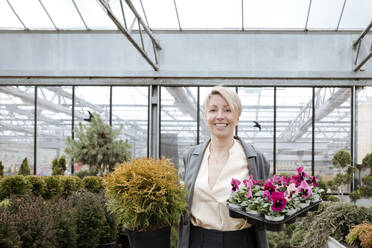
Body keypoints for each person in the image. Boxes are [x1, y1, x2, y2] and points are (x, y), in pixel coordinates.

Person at [178, 86, 270, 248]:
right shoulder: (191, 157)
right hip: (198, 240)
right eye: (213, 110)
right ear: (206, 116)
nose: (220, 116)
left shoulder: (256, 159)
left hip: (241, 241)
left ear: (237, 116)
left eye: (227, 110)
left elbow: (263, 206)